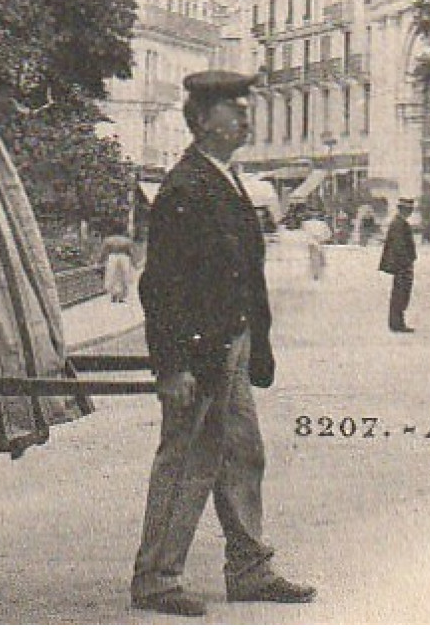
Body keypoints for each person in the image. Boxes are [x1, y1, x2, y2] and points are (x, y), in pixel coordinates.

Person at [131, 70, 316, 617]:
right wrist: (172, 367)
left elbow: (244, 274)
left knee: (241, 454)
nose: (246, 117)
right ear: (205, 121)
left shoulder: (226, 180)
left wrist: (258, 345)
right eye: (235, 109)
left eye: (245, 108)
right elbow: (159, 287)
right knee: (187, 459)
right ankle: (155, 580)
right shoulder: (186, 186)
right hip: (201, 351)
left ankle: (249, 566)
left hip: (228, 344)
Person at [379, 197, 418, 333]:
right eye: (409, 210)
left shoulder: (399, 222)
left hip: (401, 264)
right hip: (401, 265)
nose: (410, 212)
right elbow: (399, 246)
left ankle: (397, 322)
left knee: (400, 293)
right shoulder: (399, 224)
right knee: (401, 294)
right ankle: (397, 323)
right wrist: (406, 262)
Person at [101, 232, 137, 303]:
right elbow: (131, 252)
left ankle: (114, 294)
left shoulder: (109, 240)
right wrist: (134, 262)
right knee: (124, 276)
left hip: (112, 257)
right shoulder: (126, 240)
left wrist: (100, 260)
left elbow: (103, 252)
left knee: (112, 276)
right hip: (124, 257)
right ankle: (121, 295)